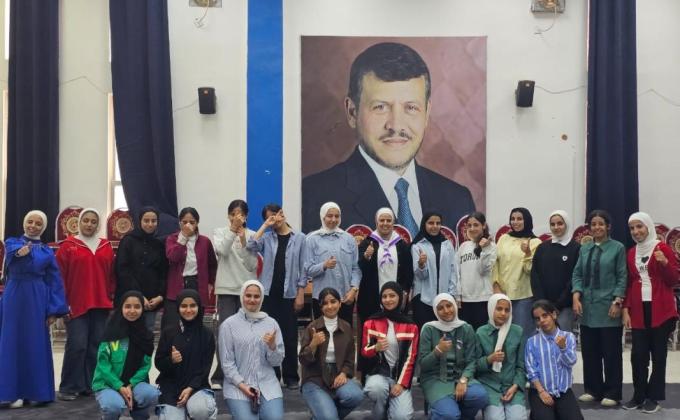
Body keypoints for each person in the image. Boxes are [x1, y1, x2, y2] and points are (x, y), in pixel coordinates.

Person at [301, 41, 475, 236]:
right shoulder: (312, 197)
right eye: (380, 107)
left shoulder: (458, 200)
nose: (396, 125)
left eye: (411, 107)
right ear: (352, 112)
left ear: (426, 114)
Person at [0, 210, 69, 407]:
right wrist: (20, 252)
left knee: (35, 342)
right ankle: (10, 393)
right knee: (11, 341)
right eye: (30, 222)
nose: (33, 226)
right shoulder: (12, 242)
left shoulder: (47, 251)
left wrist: (54, 310)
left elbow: (54, 281)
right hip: (14, 296)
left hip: (37, 297)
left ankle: (34, 392)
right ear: (24, 223)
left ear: (43, 227)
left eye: (38, 224)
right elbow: (12, 255)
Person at [621, 212, 679, 413]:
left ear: (648, 227)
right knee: (638, 355)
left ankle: (654, 397)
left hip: (661, 309)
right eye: (632, 228)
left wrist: (664, 263)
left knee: (658, 356)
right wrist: (626, 309)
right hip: (639, 309)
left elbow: (674, 280)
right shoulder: (631, 253)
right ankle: (639, 395)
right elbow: (630, 283)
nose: (635, 231)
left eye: (639, 227)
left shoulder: (662, 248)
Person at [56, 208, 116, 401]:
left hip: (101, 304)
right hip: (76, 304)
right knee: (77, 345)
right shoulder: (68, 246)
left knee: (96, 346)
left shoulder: (105, 246)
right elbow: (59, 278)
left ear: (97, 225)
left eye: (93, 221)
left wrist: (111, 297)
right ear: (79, 222)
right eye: (86, 220)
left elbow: (112, 276)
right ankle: (69, 387)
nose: (89, 224)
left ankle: (90, 385)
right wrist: (62, 304)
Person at [247, 203, 307, 389]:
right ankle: (272, 375)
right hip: (268, 294)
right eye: (268, 217)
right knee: (268, 335)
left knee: (289, 336)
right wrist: (265, 225)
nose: (273, 219)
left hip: (289, 294)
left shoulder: (300, 238)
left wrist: (300, 293)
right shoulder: (267, 237)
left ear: (282, 213)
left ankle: (291, 376)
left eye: (275, 215)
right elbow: (251, 245)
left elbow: (304, 267)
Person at [571, 209, 626, 407]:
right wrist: (576, 295)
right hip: (587, 309)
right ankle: (593, 390)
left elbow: (622, 276)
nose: (597, 227)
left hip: (609, 308)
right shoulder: (584, 248)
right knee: (590, 352)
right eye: (593, 224)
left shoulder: (617, 248)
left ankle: (612, 392)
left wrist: (617, 301)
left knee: (611, 353)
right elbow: (577, 274)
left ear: (608, 226)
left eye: (601, 224)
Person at [357, 207, 413, 377]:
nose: (385, 223)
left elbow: (408, 272)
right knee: (371, 336)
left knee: (395, 336)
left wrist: (404, 292)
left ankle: (398, 372)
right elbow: (360, 270)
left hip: (395, 300)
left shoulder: (402, 245)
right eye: (382, 220)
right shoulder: (367, 243)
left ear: (393, 222)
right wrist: (366, 257)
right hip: (371, 299)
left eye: (389, 220)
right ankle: (368, 373)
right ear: (376, 222)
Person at [218, 280, 284, 420]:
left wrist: (272, 346)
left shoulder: (271, 323)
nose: (252, 300)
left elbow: (277, 362)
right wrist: (243, 386)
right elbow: (227, 363)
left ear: (262, 298)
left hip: (267, 385)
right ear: (242, 296)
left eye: (256, 296)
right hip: (238, 386)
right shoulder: (228, 325)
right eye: (248, 295)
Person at [418, 293, 488, 420]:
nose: (446, 311)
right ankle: (442, 413)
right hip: (435, 380)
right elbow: (423, 365)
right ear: (435, 311)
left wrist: (463, 380)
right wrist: (437, 351)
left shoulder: (466, 328)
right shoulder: (429, 329)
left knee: (480, 397)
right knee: (449, 415)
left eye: (449, 305)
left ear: (455, 306)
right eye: (440, 308)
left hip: (461, 377)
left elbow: (472, 361)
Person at [92, 290, 159, 420]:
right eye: (128, 306)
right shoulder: (110, 333)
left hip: (134, 384)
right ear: (121, 308)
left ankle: (138, 411)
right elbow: (103, 365)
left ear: (142, 309)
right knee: (113, 406)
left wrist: (130, 385)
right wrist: (119, 386)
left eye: (137, 306)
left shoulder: (146, 336)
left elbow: (145, 366)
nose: (132, 311)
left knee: (151, 394)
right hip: (108, 384)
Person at [299, 287, 364, 419]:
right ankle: (324, 413)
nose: (329, 306)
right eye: (325, 303)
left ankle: (321, 414)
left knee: (356, 395)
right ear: (321, 307)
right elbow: (303, 360)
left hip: (337, 375)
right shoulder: (312, 327)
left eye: (333, 301)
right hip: (315, 378)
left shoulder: (346, 327)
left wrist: (344, 373)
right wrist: (313, 344)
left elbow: (350, 358)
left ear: (340, 304)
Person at [213, 199, 259, 387]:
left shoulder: (253, 234)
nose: (236, 218)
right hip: (226, 289)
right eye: (233, 214)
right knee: (224, 332)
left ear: (246, 216)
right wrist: (233, 231)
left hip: (247, 290)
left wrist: (244, 241)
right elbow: (222, 251)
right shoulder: (220, 232)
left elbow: (251, 264)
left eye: (240, 214)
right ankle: (220, 375)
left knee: (247, 333)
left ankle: (245, 372)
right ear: (228, 215)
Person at [155, 289, 217, 420]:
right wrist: (171, 360)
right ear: (178, 308)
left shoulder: (207, 334)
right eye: (184, 306)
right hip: (171, 387)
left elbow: (205, 368)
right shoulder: (169, 332)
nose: (188, 310)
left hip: (197, 386)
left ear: (199, 307)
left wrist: (190, 388)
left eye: (192, 306)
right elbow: (158, 363)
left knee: (200, 410)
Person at [362, 281, 419, 420]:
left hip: (400, 377)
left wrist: (401, 384)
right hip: (378, 374)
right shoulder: (371, 322)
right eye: (384, 296)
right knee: (376, 389)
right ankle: (380, 415)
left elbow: (411, 358)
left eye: (392, 295)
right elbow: (364, 351)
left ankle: (392, 407)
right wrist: (375, 348)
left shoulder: (411, 326)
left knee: (402, 416)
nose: (388, 300)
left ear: (400, 297)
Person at [304, 202, 361, 325]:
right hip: (322, 300)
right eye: (330, 216)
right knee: (322, 333)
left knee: (345, 333)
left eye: (337, 216)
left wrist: (354, 289)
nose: (333, 219)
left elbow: (356, 268)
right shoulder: (312, 239)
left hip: (346, 298)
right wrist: (324, 265)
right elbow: (307, 270)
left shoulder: (349, 239)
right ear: (322, 217)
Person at [525, 300, 583, 420]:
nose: (542, 320)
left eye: (545, 315)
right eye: (538, 318)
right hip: (540, 390)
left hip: (563, 391)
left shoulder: (568, 337)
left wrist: (563, 348)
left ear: (554, 315)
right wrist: (541, 392)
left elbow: (571, 362)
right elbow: (531, 371)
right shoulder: (532, 342)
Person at [115, 206, 168, 331]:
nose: (150, 224)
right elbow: (122, 270)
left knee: (147, 334)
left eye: (153, 221)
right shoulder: (128, 241)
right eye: (146, 220)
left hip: (151, 301)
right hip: (129, 299)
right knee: (126, 334)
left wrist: (160, 296)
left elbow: (163, 273)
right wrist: (138, 296)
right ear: (139, 221)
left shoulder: (159, 245)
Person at [492, 207, 542, 342]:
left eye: (519, 219)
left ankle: (525, 357)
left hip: (523, 296)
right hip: (501, 294)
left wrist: (527, 253)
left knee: (523, 334)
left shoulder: (535, 242)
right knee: (501, 334)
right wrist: (496, 286)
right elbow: (495, 262)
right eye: (512, 219)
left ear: (527, 221)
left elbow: (530, 270)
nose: (515, 222)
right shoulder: (504, 238)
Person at [164, 207, 217, 330]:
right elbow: (173, 257)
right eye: (184, 222)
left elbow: (212, 265)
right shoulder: (172, 239)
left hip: (197, 284)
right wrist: (183, 238)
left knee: (195, 323)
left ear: (197, 223)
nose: (188, 225)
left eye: (192, 222)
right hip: (177, 285)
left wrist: (210, 283)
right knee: (172, 325)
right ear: (179, 223)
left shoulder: (205, 241)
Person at [476, 294, 527, 420]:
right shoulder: (481, 332)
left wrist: (515, 386)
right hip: (490, 387)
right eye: (499, 309)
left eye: (507, 310)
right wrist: (489, 359)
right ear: (491, 309)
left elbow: (521, 365)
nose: (503, 313)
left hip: (513, 386)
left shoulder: (517, 331)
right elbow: (475, 365)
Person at [530, 210, 580, 332]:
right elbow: (535, 275)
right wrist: (542, 303)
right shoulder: (542, 248)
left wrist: (558, 304)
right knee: (544, 340)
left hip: (565, 307)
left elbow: (575, 277)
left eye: (560, 223)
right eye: (552, 224)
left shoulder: (576, 248)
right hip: (543, 307)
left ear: (566, 224)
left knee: (561, 339)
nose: (556, 227)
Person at [410, 212, 458, 326]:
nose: (435, 226)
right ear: (424, 224)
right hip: (423, 299)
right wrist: (421, 264)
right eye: (431, 223)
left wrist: (452, 294)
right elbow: (421, 276)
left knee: (444, 331)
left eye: (438, 223)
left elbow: (453, 271)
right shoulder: (417, 245)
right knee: (425, 332)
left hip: (445, 300)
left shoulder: (447, 244)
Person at [458, 211, 497, 330]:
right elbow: (457, 273)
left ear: (483, 226)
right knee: (467, 336)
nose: (472, 228)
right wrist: (458, 296)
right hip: (465, 300)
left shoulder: (492, 247)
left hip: (483, 299)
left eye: (476, 225)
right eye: (469, 225)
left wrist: (484, 249)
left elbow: (483, 270)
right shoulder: (463, 246)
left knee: (481, 334)